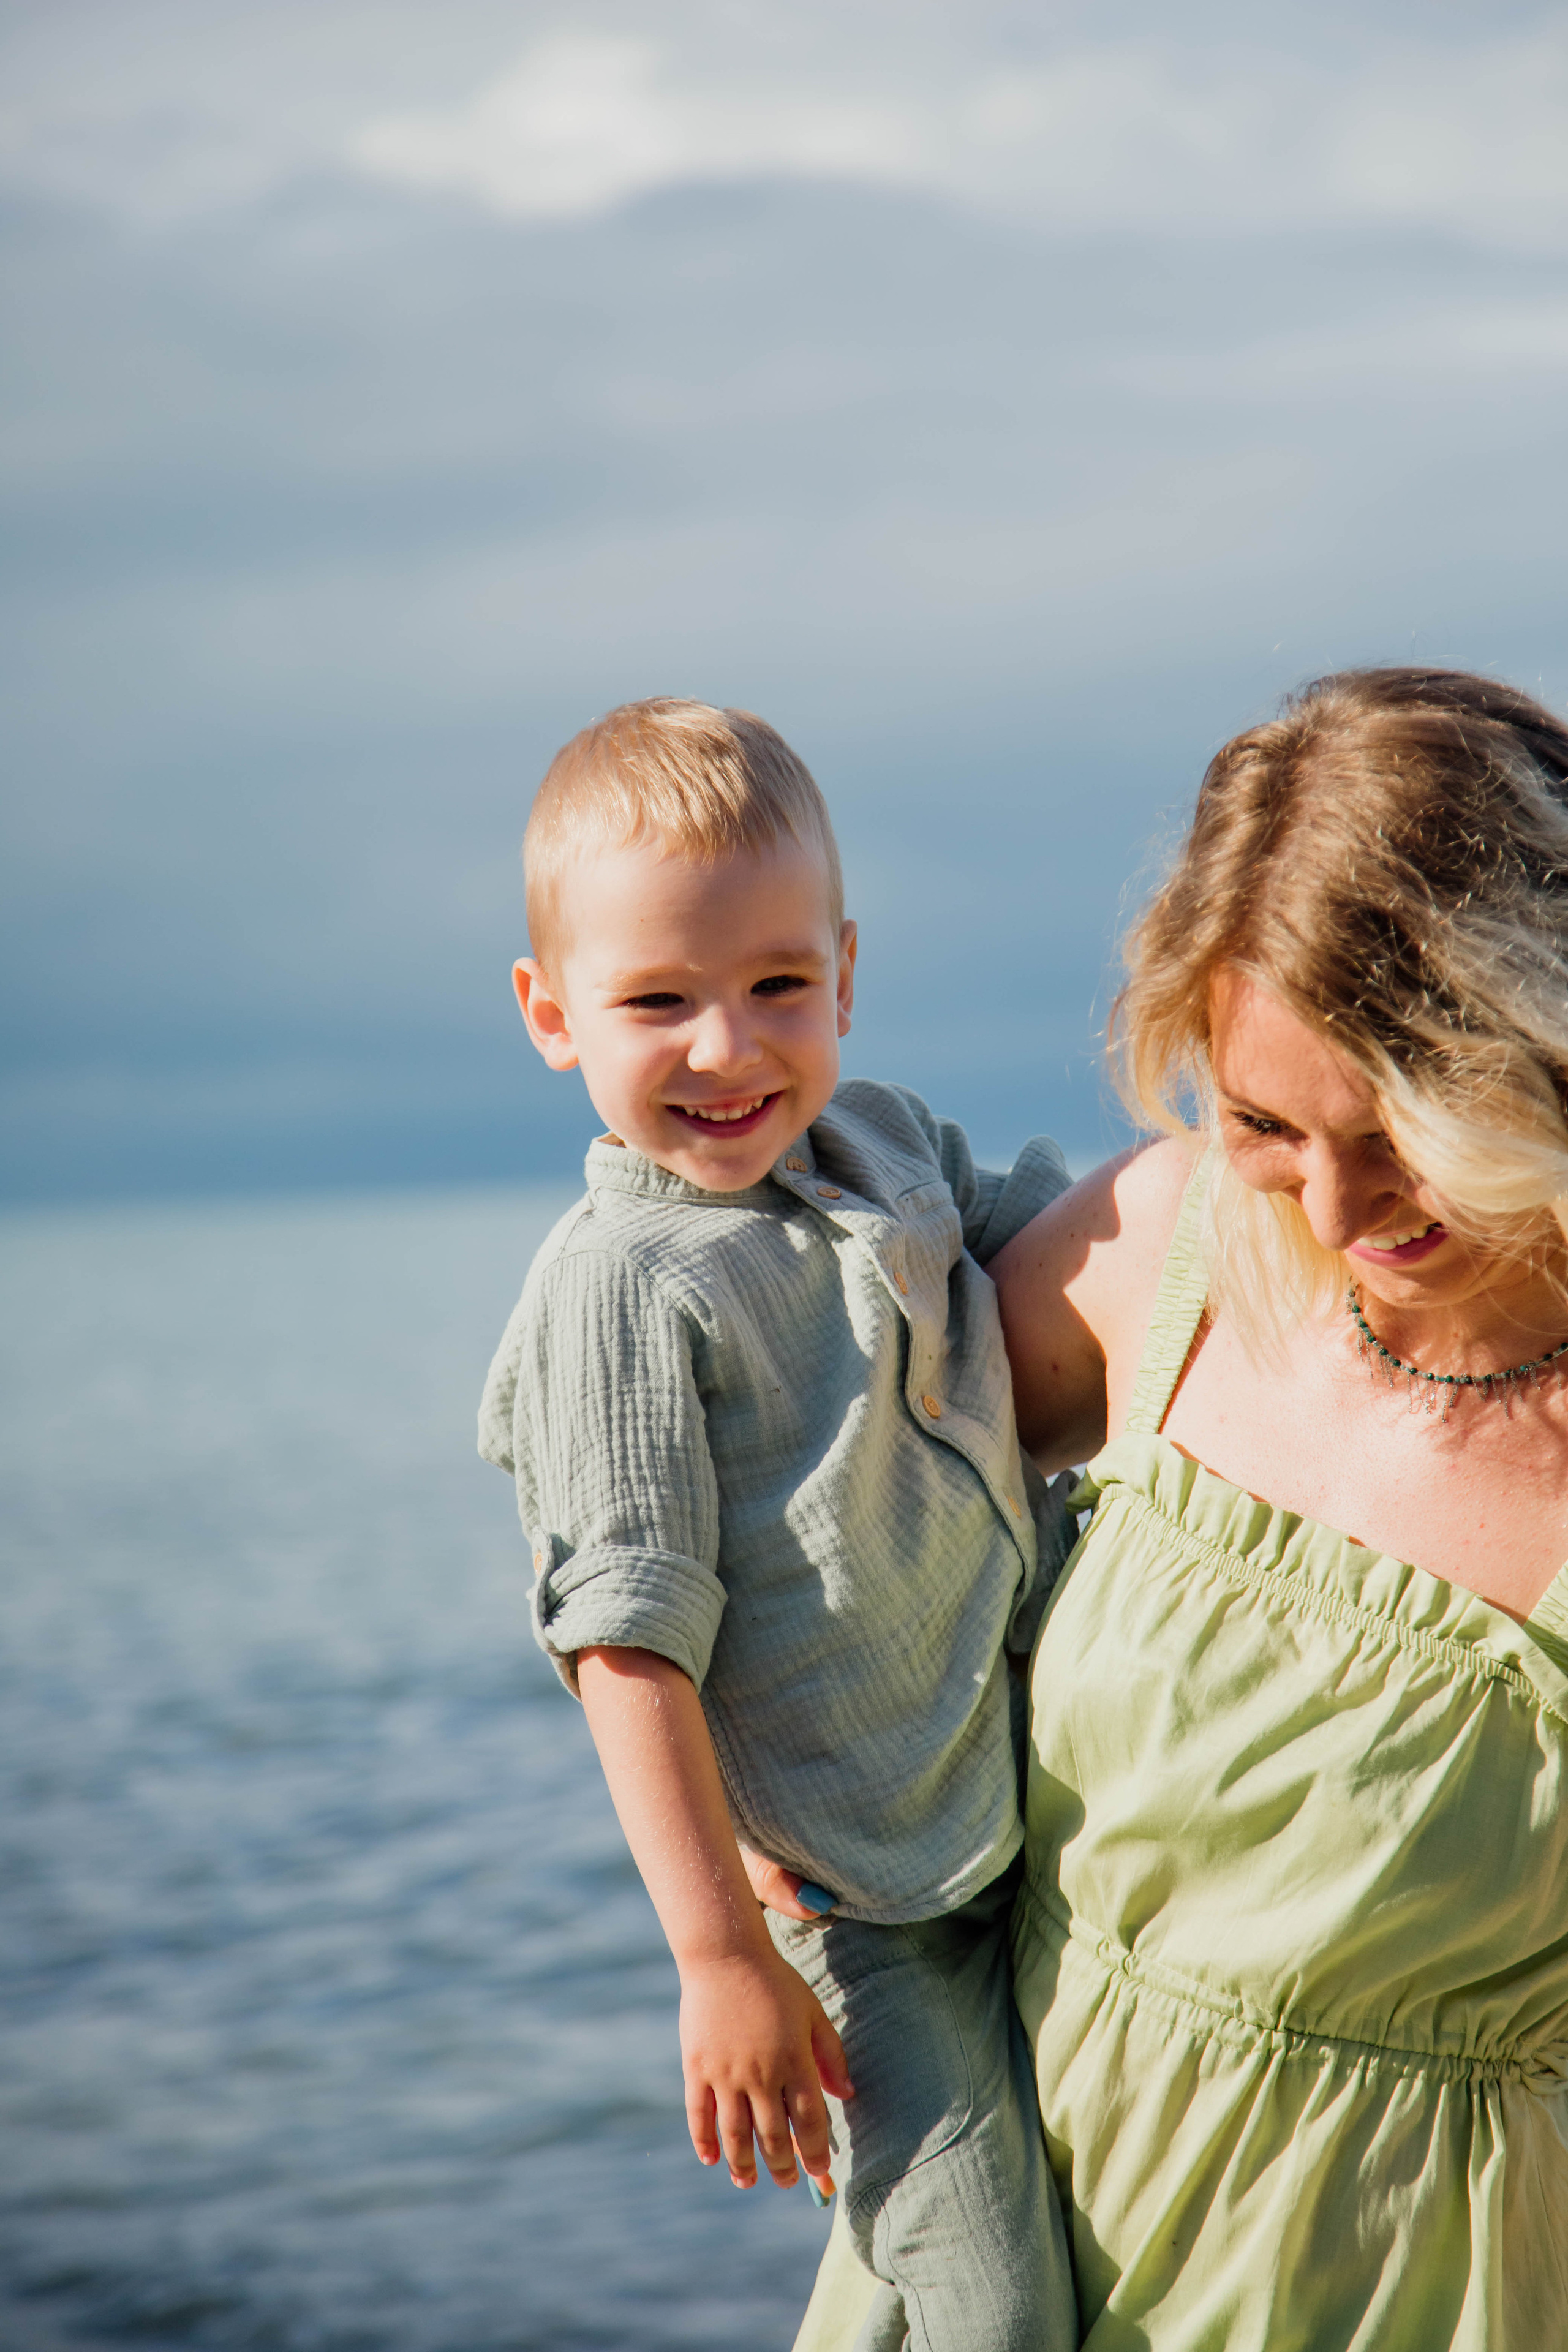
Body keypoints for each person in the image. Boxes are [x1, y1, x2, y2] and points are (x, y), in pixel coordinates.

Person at [796, 665, 1568, 2351]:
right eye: (1270, 1123)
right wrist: (759, 1837)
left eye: (1407, 1131)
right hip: (1000, 2254)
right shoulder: (1170, 1253)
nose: (1343, 1201)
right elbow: (795, 1522)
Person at [478, 699, 1077, 2350]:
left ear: (847, 974)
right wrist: (720, 1957)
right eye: (658, 1001)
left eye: (776, 988)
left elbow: (1061, 1264)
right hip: (844, 1906)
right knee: (999, 2308)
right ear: (552, 1015)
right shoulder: (623, 1290)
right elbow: (627, 1647)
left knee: (929, 2268)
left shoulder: (880, 1147)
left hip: (1004, 1810)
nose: (729, 1049)